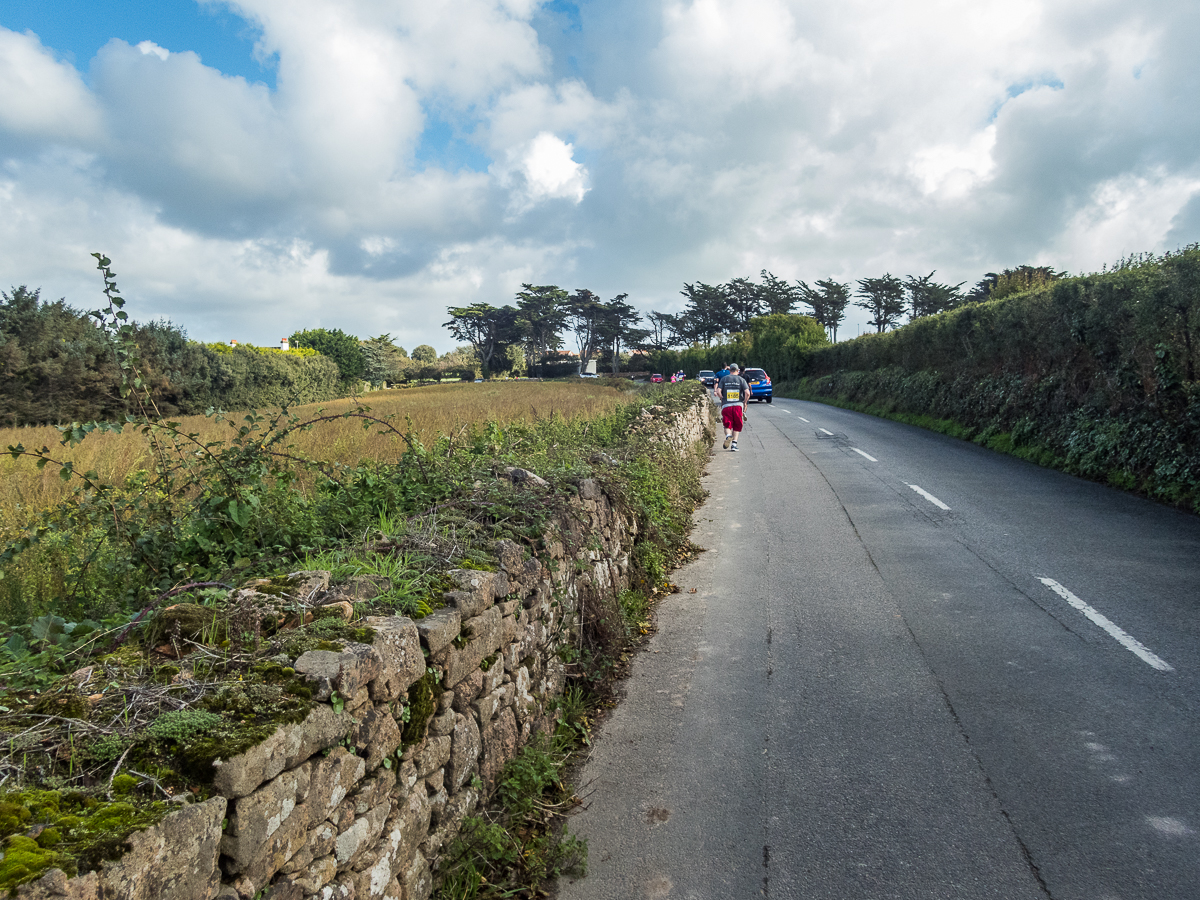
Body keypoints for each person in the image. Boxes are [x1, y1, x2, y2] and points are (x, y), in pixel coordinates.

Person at [716, 363, 750, 451]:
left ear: (729, 370)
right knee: (737, 425)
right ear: (738, 370)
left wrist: (721, 398)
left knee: (727, 424)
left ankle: (728, 435)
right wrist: (745, 402)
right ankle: (734, 445)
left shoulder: (724, 379)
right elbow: (747, 393)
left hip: (726, 405)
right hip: (738, 406)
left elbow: (718, 391)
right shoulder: (741, 379)